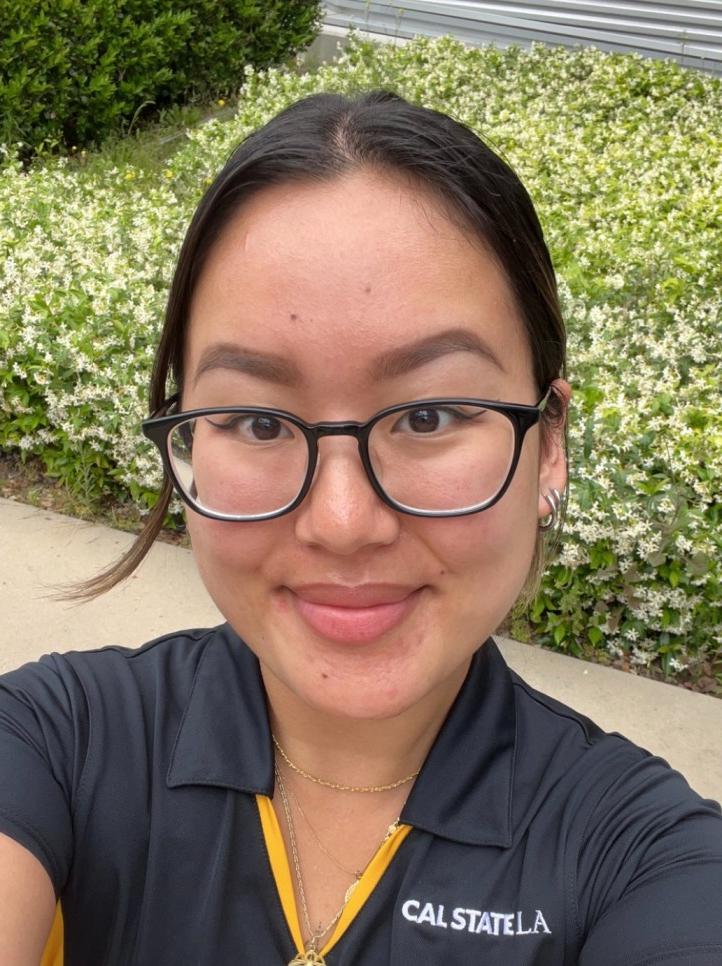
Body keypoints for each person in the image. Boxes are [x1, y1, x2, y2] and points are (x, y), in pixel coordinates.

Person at [1, 91, 721, 966]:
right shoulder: (54, 740)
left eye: (429, 416)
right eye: (259, 423)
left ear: (549, 447)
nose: (342, 523)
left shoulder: (650, 864)